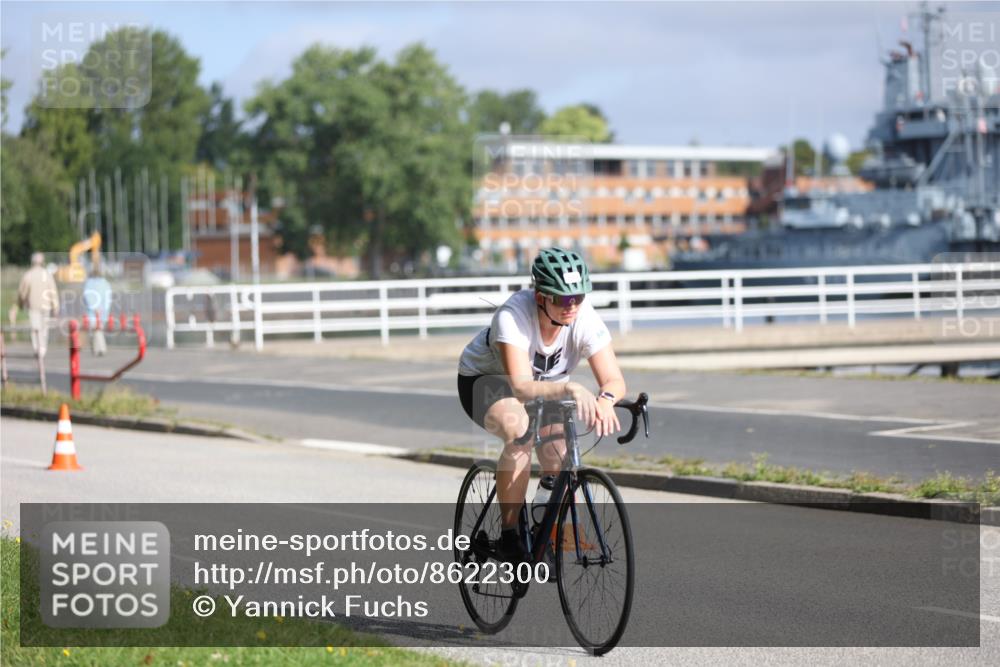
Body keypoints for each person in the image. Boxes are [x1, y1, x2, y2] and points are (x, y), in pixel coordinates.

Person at [457, 247, 626, 562]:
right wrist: (573, 387)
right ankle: (509, 535)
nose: (572, 306)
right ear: (540, 297)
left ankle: (547, 528)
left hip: (546, 385)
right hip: (486, 382)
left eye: (578, 297)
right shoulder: (513, 316)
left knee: (559, 456)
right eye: (562, 299)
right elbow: (520, 387)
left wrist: (605, 400)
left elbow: (614, 380)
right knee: (520, 433)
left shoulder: (582, 316)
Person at [17, 252, 60, 393]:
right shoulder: (46, 275)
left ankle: (37, 348)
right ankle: (43, 348)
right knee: (44, 328)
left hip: (34, 305)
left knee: (35, 328)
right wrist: (55, 306)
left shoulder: (28, 275)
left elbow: (22, 291)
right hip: (45, 305)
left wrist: (21, 303)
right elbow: (53, 291)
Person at [82, 266, 113, 356]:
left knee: (95, 330)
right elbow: (108, 297)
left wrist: (95, 307)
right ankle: (99, 348)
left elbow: (88, 296)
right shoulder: (105, 283)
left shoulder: (89, 283)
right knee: (99, 329)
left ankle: (99, 349)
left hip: (92, 311)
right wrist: (105, 309)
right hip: (103, 311)